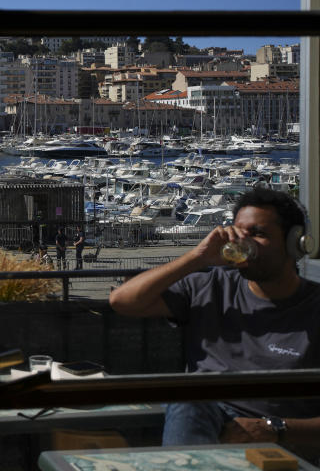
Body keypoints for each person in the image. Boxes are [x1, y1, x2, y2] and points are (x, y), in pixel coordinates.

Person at [109, 188, 320, 458]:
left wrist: (275, 429)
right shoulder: (209, 287)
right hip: (202, 421)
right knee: (190, 399)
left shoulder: (313, 308)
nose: (246, 244)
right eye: (239, 233)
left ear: (295, 243)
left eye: (258, 234)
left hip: (283, 445)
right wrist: (198, 257)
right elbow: (122, 301)